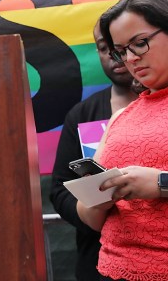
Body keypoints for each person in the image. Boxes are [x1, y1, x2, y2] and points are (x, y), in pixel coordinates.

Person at [77, 0, 168, 280]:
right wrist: (99, 196)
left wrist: (160, 183)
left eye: (139, 43)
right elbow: (90, 218)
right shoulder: (121, 118)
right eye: (120, 51)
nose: (129, 59)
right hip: (112, 269)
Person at [49, 20, 138, 281]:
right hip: (99, 263)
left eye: (126, 45)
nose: (115, 55)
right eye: (104, 47)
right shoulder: (82, 115)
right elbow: (59, 188)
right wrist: (90, 212)